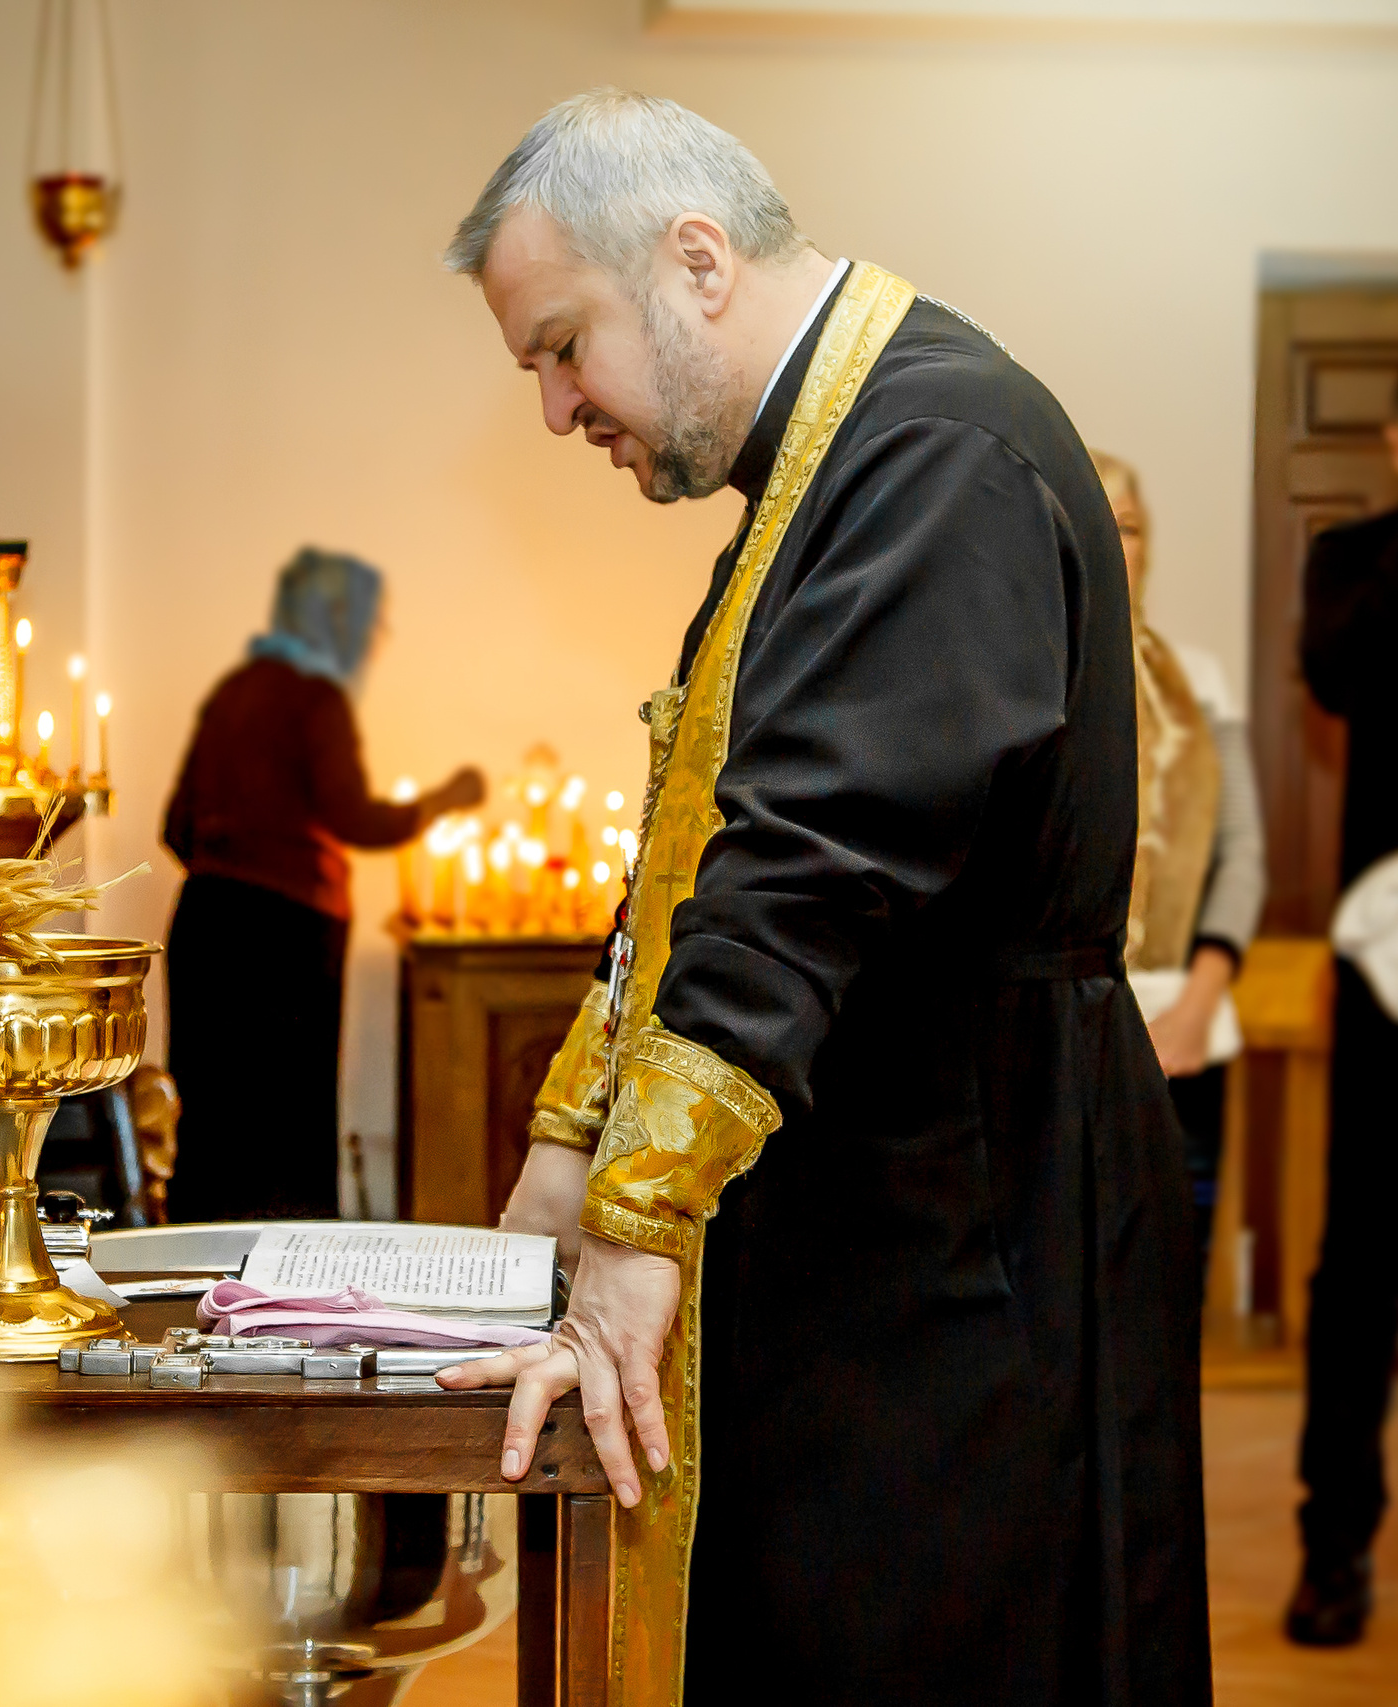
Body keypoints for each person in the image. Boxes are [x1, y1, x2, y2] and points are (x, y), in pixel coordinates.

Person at [437, 91, 1207, 1705]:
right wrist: (567, 1154)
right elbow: (691, 847)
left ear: (695, 261)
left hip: (966, 1226)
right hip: (892, 1199)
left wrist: (637, 1221)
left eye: (563, 345)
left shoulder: (931, 446)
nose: (560, 407)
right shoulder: (832, 458)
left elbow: (806, 853)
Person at [160, 547, 481, 1222]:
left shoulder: (236, 688)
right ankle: (282, 1301)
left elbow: (174, 824)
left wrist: (230, 860)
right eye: (368, 625)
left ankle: (194, 1291)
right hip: (283, 946)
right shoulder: (316, 697)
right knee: (285, 1129)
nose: (370, 642)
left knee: (214, 1118)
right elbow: (354, 818)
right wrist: (442, 799)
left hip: (204, 926)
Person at [1094, 451, 1264, 1273]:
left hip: (1183, 1032)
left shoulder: (1199, 681)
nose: (1113, 539)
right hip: (1062, 1030)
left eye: (1129, 525)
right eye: (1097, 518)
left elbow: (1243, 855)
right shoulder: (1017, 672)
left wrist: (1197, 1007)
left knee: (1169, 1278)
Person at [1290, 377, 1398, 1647]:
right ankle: (1333, 1546)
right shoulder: (1352, 562)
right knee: (1358, 1266)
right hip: (1386, 969)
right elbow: (1339, 670)